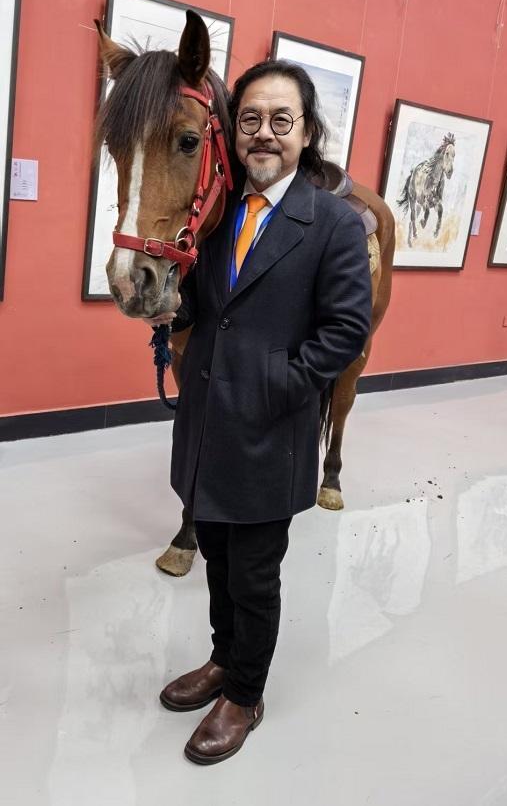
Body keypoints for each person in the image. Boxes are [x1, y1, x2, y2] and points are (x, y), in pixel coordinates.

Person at [150, 61, 372, 765]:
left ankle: (245, 695)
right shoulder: (216, 213)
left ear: (306, 132)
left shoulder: (333, 224)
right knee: (216, 558)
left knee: (253, 574)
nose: (264, 133)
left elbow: (346, 330)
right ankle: (224, 660)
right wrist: (167, 303)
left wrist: (279, 386)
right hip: (206, 425)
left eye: (281, 119)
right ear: (233, 129)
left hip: (269, 432)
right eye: (250, 119)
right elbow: (203, 305)